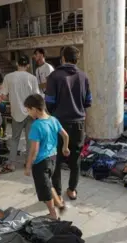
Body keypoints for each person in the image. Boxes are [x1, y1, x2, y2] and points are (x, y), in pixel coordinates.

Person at [45, 46, 91, 201]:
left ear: (63, 58)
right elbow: (88, 102)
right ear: (76, 59)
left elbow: (49, 103)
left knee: (56, 159)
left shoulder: (54, 77)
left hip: (58, 123)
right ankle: (72, 190)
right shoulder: (84, 76)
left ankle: (57, 193)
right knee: (75, 159)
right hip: (78, 123)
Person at [24, 94, 70, 219]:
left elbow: (34, 150)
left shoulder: (36, 125)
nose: (28, 113)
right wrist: (65, 148)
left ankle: (53, 214)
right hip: (53, 159)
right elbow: (65, 136)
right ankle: (60, 205)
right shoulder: (53, 120)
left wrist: (28, 166)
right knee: (48, 184)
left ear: (34, 109)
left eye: (28, 110)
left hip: (41, 162)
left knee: (45, 191)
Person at [0, 55, 41, 171]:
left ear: (17, 64)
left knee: (15, 138)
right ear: (28, 65)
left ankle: (11, 163)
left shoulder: (8, 77)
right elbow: (37, 96)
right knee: (29, 139)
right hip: (30, 113)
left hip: (16, 112)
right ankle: (28, 162)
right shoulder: (32, 78)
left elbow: (3, 96)